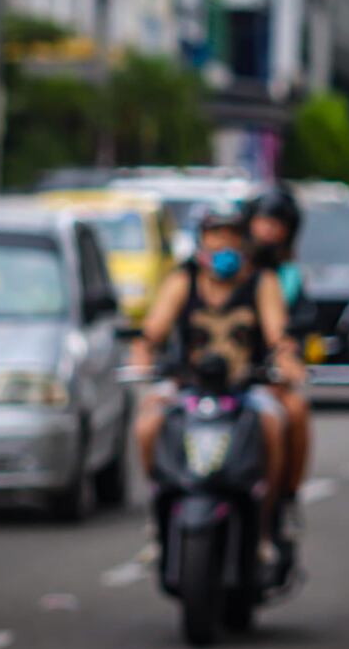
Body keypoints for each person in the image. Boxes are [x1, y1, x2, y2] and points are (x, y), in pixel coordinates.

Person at [130, 206, 306, 563]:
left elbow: (278, 336)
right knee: (148, 424)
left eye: (231, 237)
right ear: (201, 243)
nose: (223, 245)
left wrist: (287, 361)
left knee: (273, 425)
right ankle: (160, 511)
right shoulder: (183, 280)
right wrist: (143, 356)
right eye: (216, 237)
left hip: (245, 389)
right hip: (190, 388)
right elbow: (151, 333)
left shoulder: (262, 281)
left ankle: (267, 522)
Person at [244, 187, 313, 506]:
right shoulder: (213, 275)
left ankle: (285, 496)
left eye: (277, 224)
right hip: (219, 378)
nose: (269, 230)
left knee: (293, 412)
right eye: (264, 222)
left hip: (266, 375)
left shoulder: (285, 277)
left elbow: (285, 334)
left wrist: (287, 358)